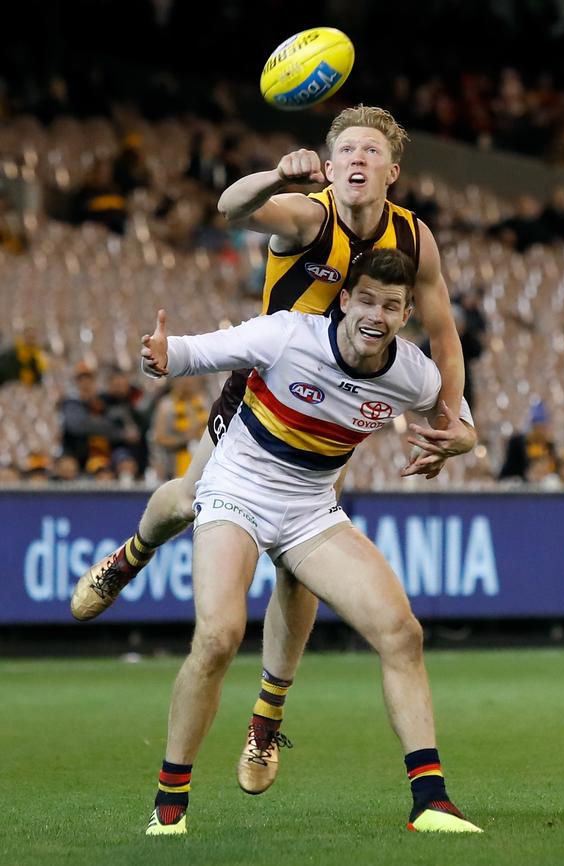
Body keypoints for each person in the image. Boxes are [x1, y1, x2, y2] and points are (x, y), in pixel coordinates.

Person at [71, 105, 472, 790]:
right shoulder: (308, 218)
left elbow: (443, 330)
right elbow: (230, 208)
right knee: (192, 499)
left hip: (339, 409)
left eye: (371, 150)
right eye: (345, 146)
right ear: (331, 160)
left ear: (391, 170)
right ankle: (129, 556)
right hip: (267, 383)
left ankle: (265, 719)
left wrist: (453, 417)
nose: (357, 158)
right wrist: (270, 176)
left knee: (300, 560)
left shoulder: (413, 239)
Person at [137, 249, 481, 836]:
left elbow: (463, 425)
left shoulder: (414, 373)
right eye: (367, 300)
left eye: (393, 306)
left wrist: (460, 442)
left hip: (310, 512)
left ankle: (431, 802)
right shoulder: (287, 335)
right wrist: (165, 355)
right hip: (235, 493)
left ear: (404, 317)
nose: (378, 314)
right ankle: (170, 803)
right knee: (219, 637)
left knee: (402, 632)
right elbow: (196, 352)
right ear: (345, 301)